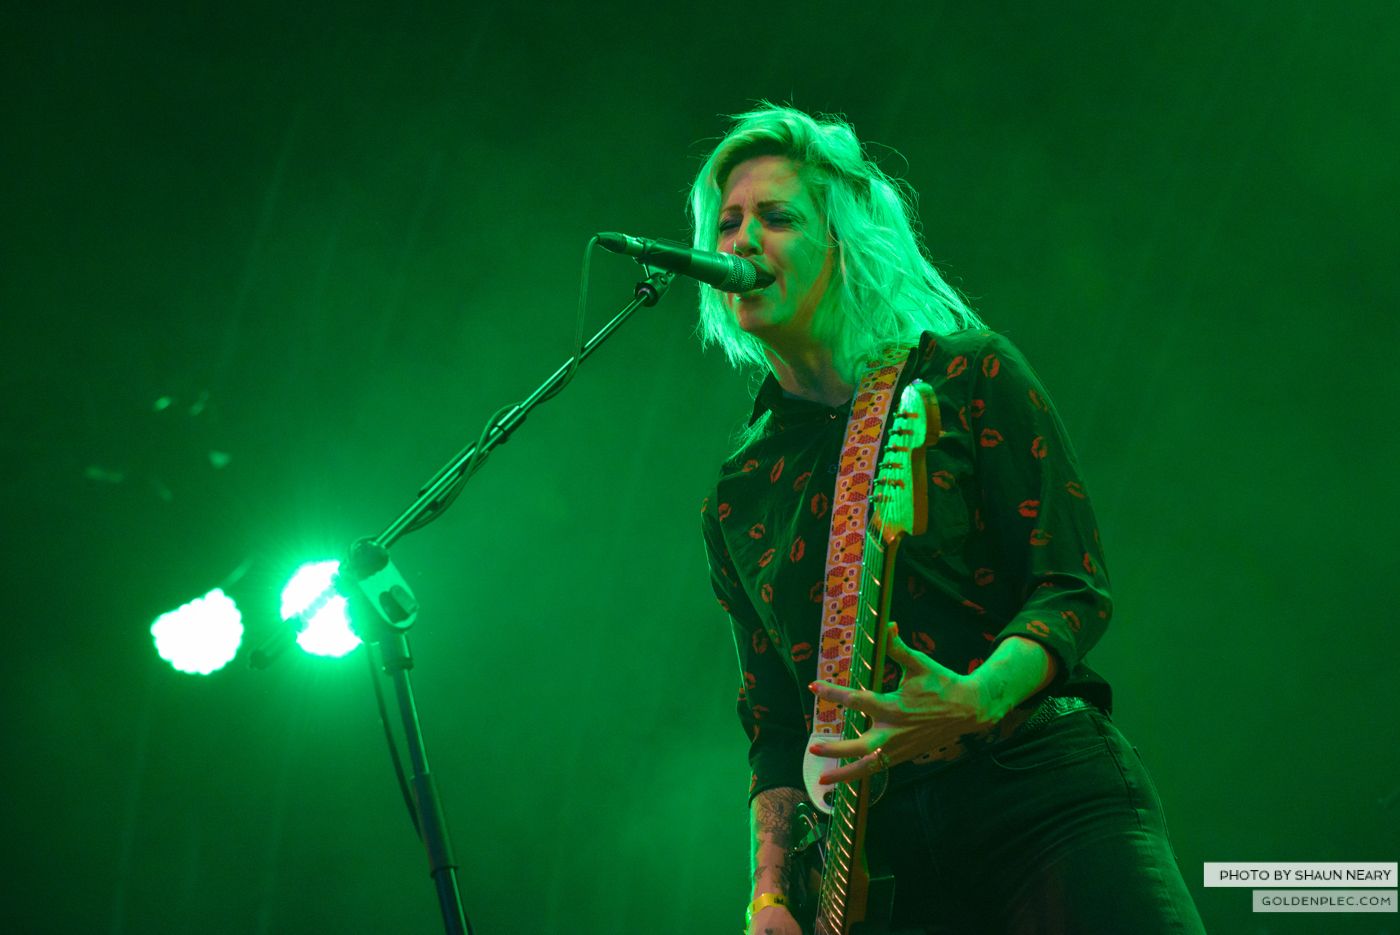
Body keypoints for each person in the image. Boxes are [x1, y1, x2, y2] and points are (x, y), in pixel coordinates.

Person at [694, 104, 1206, 935]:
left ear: (844, 239)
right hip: (884, 863)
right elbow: (774, 721)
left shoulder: (966, 373)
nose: (741, 240)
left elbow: (1071, 587)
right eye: (728, 222)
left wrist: (976, 695)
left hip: (1035, 794)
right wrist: (770, 893)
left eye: (777, 217)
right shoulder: (740, 487)